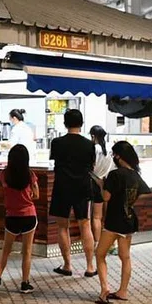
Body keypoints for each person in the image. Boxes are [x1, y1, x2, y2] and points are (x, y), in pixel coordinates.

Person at [94, 141, 152, 304]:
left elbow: (106, 197)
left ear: (119, 156)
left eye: (114, 155)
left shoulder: (115, 175)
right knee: (125, 257)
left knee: (100, 254)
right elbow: (145, 192)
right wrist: (130, 202)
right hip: (129, 220)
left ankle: (104, 288)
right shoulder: (135, 175)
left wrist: (101, 185)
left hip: (114, 221)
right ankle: (123, 291)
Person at [49, 109, 97, 278]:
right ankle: (90, 266)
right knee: (85, 225)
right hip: (83, 187)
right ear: (81, 124)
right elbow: (91, 166)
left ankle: (67, 265)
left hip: (62, 187)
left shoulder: (57, 142)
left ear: (65, 123)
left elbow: (55, 162)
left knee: (63, 226)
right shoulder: (89, 144)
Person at [0, 144, 39, 294]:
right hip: (28, 215)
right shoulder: (30, 175)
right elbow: (37, 195)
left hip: (12, 216)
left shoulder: (4, 175)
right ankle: (25, 283)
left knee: (6, 249)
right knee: (27, 251)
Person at [89, 125, 114, 244]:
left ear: (93, 136)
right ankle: (109, 243)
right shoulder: (110, 148)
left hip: (95, 183)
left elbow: (90, 167)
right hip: (107, 182)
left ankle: (97, 242)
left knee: (96, 217)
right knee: (107, 215)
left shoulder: (94, 148)